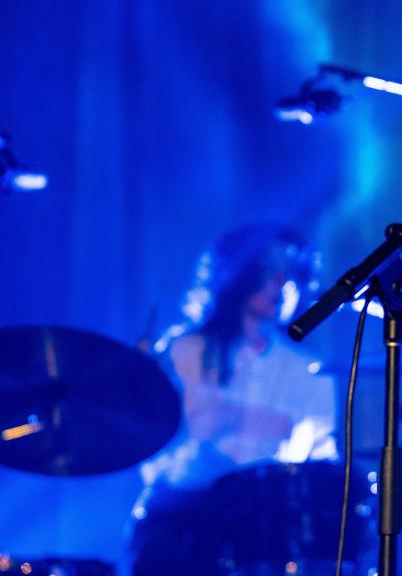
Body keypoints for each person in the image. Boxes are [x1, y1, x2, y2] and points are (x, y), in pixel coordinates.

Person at [127, 225, 338, 575]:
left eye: (290, 273)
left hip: (266, 528)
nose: (282, 283)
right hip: (181, 518)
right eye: (270, 270)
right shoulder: (186, 350)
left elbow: (318, 453)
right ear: (239, 274)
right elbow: (188, 430)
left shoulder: (309, 370)